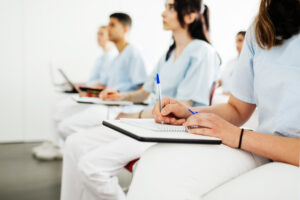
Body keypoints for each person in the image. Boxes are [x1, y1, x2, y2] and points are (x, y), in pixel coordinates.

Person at [127, 0, 300, 199]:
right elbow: (237, 109)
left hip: (288, 155)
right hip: (263, 146)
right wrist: (190, 112)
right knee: (156, 163)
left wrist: (237, 136)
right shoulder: (263, 26)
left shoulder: (201, 51)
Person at [60, 0, 221, 199]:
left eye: (170, 8)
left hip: (171, 130)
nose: (163, 13)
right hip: (147, 122)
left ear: (190, 16)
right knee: (74, 143)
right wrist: (121, 96)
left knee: (91, 166)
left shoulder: (202, 52)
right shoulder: (168, 54)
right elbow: (145, 91)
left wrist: (132, 114)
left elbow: (182, 107)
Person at [35, 13, 148, 160]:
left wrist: (122, 98)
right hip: (105, 102)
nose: (108, 29)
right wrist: (88, 90)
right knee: (62, 118)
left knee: (66, 127)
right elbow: (105, 84)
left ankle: (75, 151)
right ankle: (73, 151)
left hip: (118, 107)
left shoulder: (133, 52)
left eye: (112, 25)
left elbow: (143, 88)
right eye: (108, 25)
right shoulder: (116, 58)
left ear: (125, 29)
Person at [32, 25, 117, 160]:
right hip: (90, 92)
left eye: (101, 34)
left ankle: (58, 146)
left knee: (60, 109)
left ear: (110, 35)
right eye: (97, 34)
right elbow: (96, 80)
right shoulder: (102, 57)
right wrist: (81, 84)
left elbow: (106, 84)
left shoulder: (112, 56)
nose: (98, 37)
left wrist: (87, 88)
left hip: (99, 98)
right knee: (56, 106)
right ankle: (55, 143)